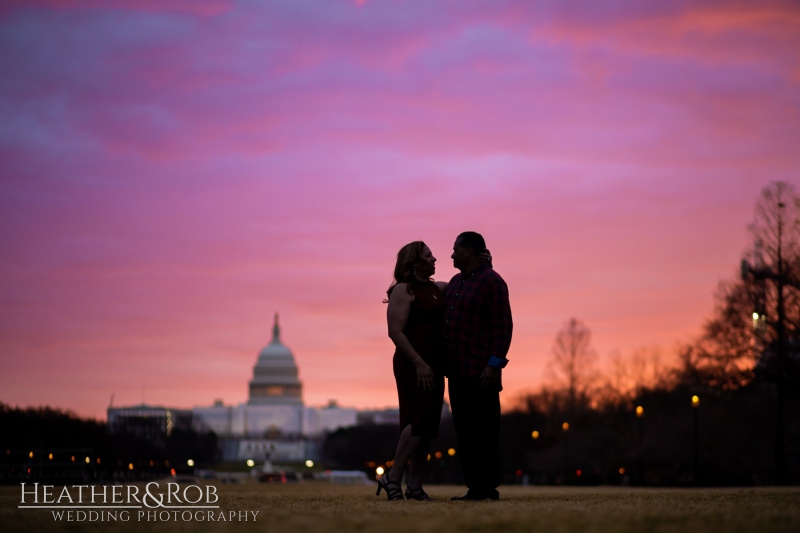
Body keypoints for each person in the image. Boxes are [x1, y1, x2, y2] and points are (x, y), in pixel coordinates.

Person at [444, 231, 513, 501]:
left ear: (469, 251)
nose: (451, 255)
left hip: (481, 372)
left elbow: (503, 326)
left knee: (484, 432)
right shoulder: (455, 281)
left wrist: (495, 366)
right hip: (457, 372)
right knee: (465, 433)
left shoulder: (493, 283)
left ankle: (486, 488)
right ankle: (475, 488)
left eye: (455, 250)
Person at [377, 241, 447, 501]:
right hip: (413, 363)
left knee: (427, 427)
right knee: (418, 422)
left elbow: (466, 285)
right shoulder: (403, 291)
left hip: (434, 364)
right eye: (428, 256)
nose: (434, 259)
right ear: (414, 261)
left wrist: (485, 263)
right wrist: (419, 363)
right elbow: (395, 332)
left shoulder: (438, 289)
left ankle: (415, 487)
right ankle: (392, 478)